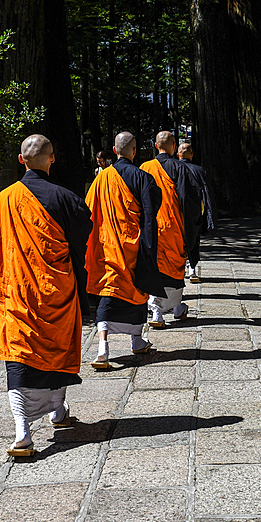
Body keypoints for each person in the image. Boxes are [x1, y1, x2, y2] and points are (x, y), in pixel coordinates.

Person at [0, 134, 92, 457]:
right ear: (52, 159)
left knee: (17, 359)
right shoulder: (65, 198)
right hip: (55, 293)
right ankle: (58, 411)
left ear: (20, 159)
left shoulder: (3, 202)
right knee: (58, 352)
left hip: (15, 295)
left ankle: (23, 432)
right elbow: (84, 239)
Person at [85, 132, 166, 367]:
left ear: (113, 150)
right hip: (133, 247)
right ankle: (136, 340)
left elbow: (89, 211)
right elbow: (151, 213)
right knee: (137, 291)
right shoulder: (142, 177)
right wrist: (150, 246)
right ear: (134, 151)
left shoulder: (100, 180)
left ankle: (103, 348)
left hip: (107, 247)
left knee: (108, 295)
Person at [140, 131, 195, 328]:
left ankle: (155, 310)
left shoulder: (144, 168)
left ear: (156, 146)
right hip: (174, 227)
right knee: (175, 264)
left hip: (151, 227)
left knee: (154, 266)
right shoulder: (180, 167)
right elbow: (187, 200)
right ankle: (176, 306)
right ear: (174, 146)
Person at [177, 142, 215, 283]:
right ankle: (192, 269)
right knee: (193, 241)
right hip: (194, 212)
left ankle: (178, 270)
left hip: (176, 211)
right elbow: (206, 193)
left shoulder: (173, 168)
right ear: (191, 155)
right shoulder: (199, 170)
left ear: (178, 154)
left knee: (178, 242)